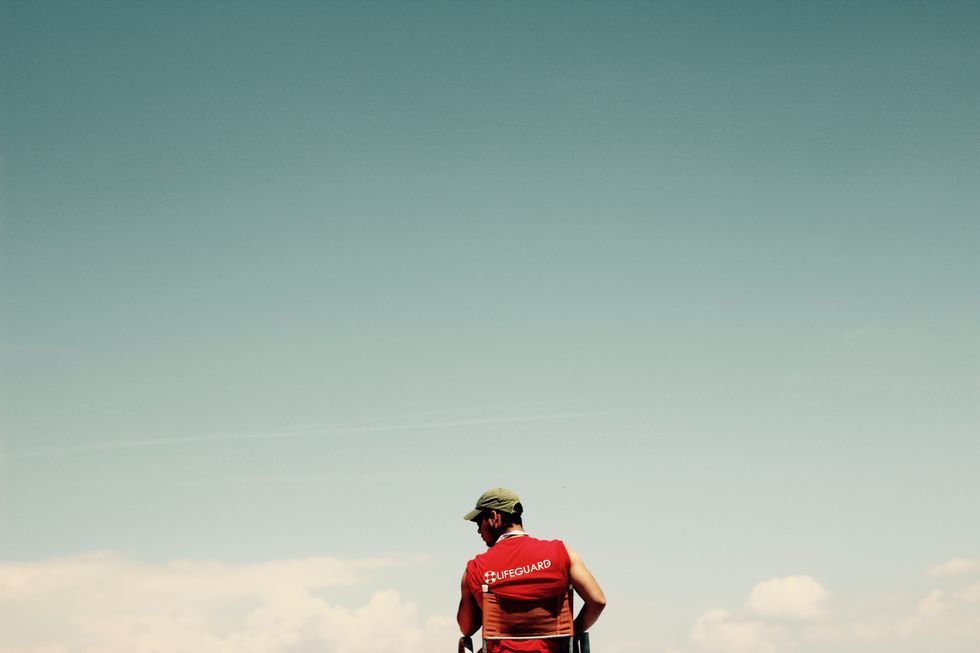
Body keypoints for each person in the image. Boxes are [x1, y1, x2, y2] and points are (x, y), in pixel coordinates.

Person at [457, 487, 606, 653]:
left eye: (479, 522)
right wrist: (572, 632)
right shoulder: (562, 553)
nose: (478, 530)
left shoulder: (475, 568)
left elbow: (466, 628)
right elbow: (598, 601)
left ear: (494, 517)